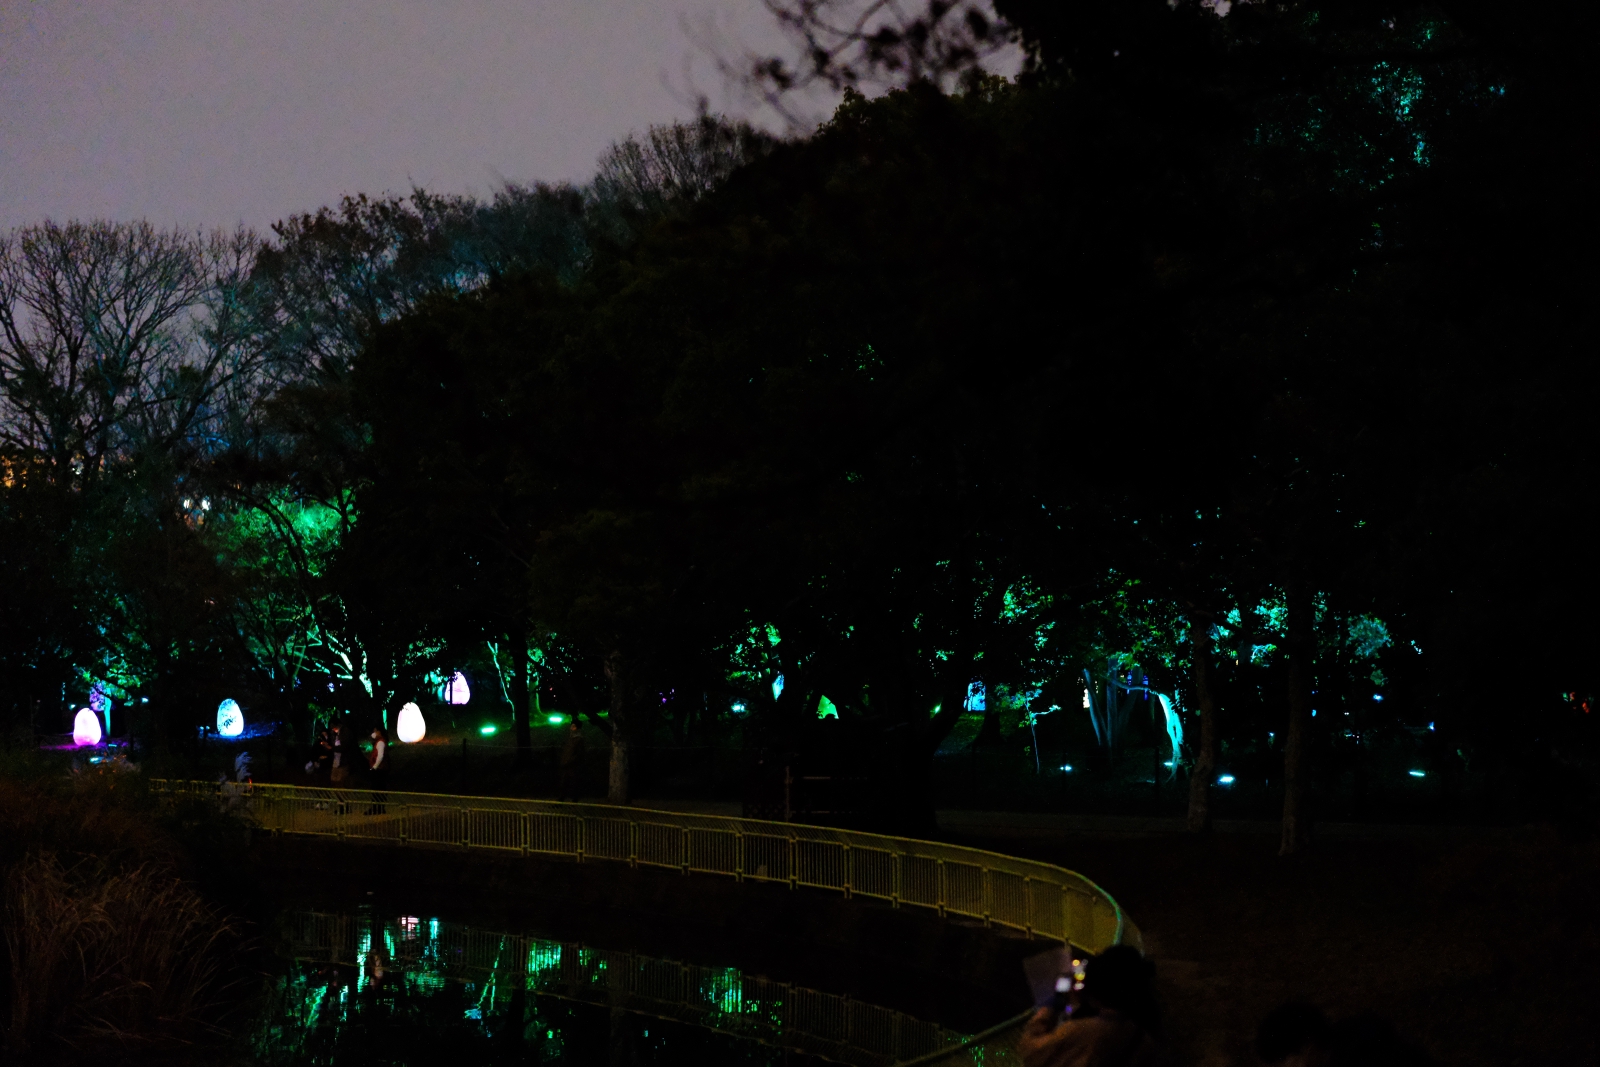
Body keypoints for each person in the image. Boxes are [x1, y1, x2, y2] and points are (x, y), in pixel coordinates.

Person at [1020, 945, 1168, 1067]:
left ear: (1097, 992)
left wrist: (1048, 1010)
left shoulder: (1082, 1030)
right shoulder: (1144, 1037)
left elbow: (1030, 1052)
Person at [558, 719, 586, 801]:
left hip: (573, 765)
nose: (571, 728)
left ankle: (573, 799)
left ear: (577, 728)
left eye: (573, 726)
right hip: (567, 764)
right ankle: (562, 798)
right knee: (564, 782)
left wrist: (569, 761)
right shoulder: (571, 739)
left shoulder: (579, 740)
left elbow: (579, 754)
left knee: (573, 782)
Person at [366, 725, 390, 814]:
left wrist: (374, 767)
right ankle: (379, 808)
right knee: (379, 789)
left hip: (379, 770)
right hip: (380, 769)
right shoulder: (379, 742)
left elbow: (380, 756)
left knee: (377, 789)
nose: (374, 733)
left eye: (376, 731)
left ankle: (377, 808)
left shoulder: (380, 742)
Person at [329, 720, 348, 784]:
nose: (333, 729)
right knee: (333, 779)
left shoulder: (344, 735)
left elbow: (343, 748)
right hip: (335, 761)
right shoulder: (335, 736)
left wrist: (333, 748)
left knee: (339, 780)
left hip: (341, 762)